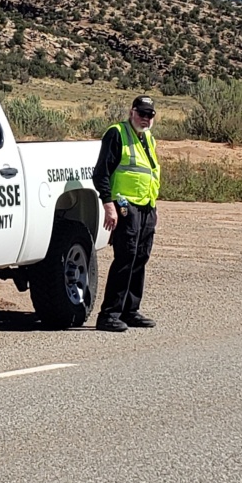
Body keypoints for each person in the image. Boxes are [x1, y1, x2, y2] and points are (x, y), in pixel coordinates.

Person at [92, 95, 161, 331]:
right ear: (132, 112)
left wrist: (152, 205)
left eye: (150, 115)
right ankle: (109, 314)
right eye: (141, 113)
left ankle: (130, 311)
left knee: (140, 258)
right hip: (125, 205)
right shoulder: (117, 133)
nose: (145, 118)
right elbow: (101, 173)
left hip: (146, 206)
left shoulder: (148, 138)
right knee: (125, 258)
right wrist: (108, 204)